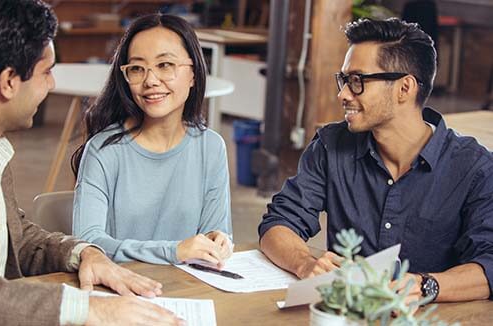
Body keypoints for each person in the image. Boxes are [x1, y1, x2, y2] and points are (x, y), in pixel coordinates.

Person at [0, 1, 183, 325]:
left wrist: (83, 253)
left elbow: (15, 238)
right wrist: (89, 308)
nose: (52, 84)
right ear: (9, 81)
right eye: (47, 71)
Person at [259, 18, 492, 304]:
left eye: (357, 81)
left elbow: (489, 264)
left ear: (404, 88)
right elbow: (278, 224)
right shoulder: (331, 146)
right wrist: (304, 263)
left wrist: (426, 286)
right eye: (344, 80)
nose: (342, 94)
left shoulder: (474, 168)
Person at [71, 14, 233, 267]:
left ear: (193, 73)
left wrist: (219, 241)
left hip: (188, 290)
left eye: (165, 65)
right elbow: (88, 242)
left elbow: (215, 231)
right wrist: (174, 251)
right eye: (137, 68)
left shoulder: (211, 147)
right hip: (119, 290)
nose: (150, 81)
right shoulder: (103, 151)